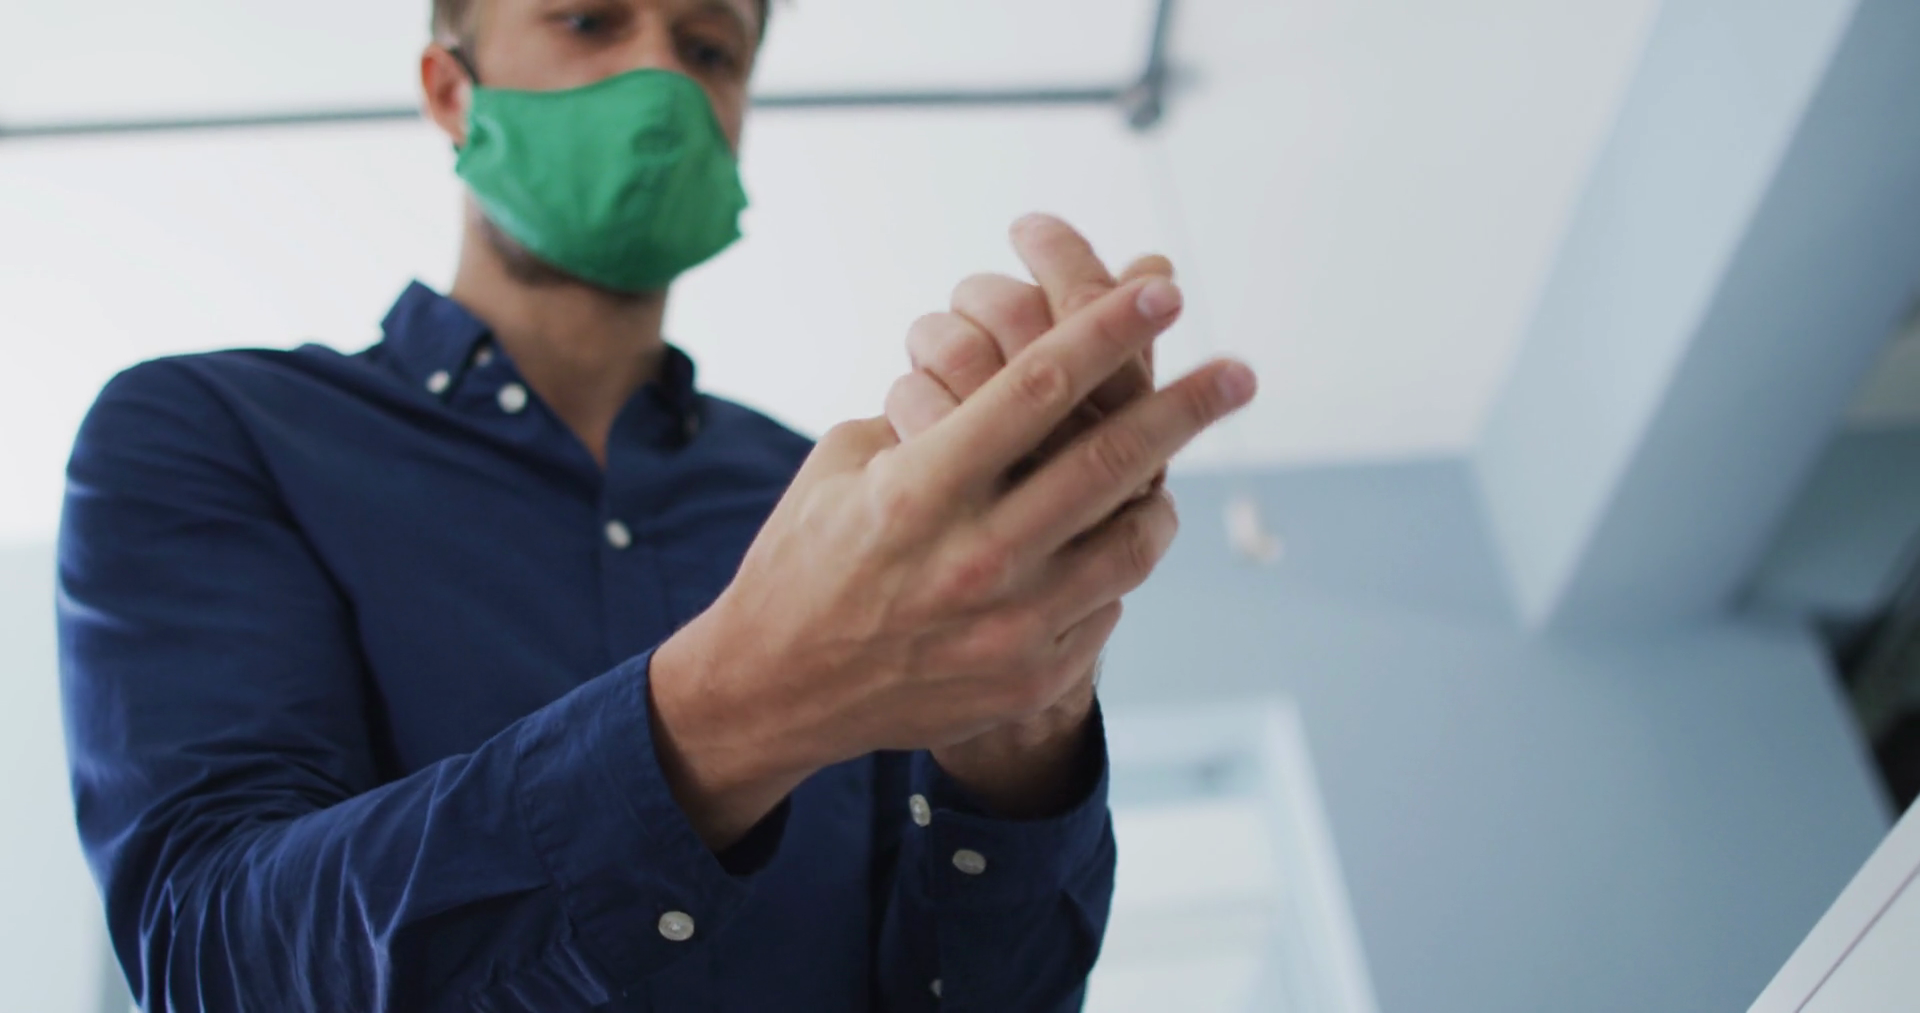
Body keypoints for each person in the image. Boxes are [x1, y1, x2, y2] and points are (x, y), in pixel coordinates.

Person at [55, 0, 1258, 1009]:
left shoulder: (844, 506)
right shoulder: (218, 431)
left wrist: (1022, 725)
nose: (663, 80)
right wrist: (739, 703)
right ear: (451, 90)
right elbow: (215, 956)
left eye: (709, 47)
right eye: (590, 20)